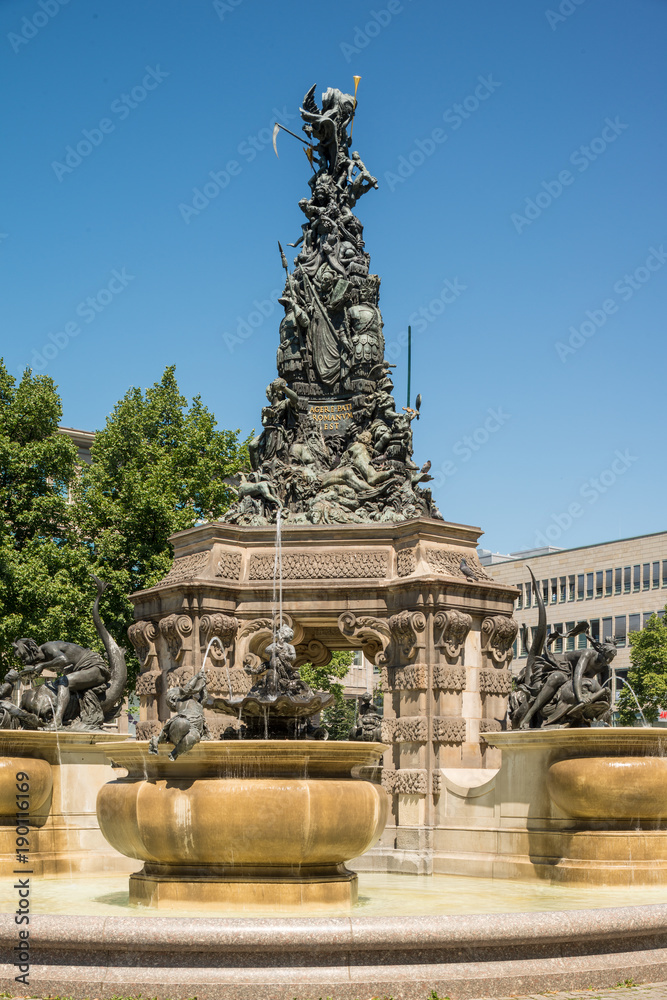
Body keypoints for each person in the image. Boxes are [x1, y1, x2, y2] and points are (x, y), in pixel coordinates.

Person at [148, 670, 208, 761]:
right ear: (172, 699)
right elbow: (187, 691)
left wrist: (203, 684)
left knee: (194, 737)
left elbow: (204, 697)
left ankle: (175, 752)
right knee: (183, 723)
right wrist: (196, 677)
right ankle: (177, 747)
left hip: (195, 728)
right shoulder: (180, 701)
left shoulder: (198, 703)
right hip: (182, 725)